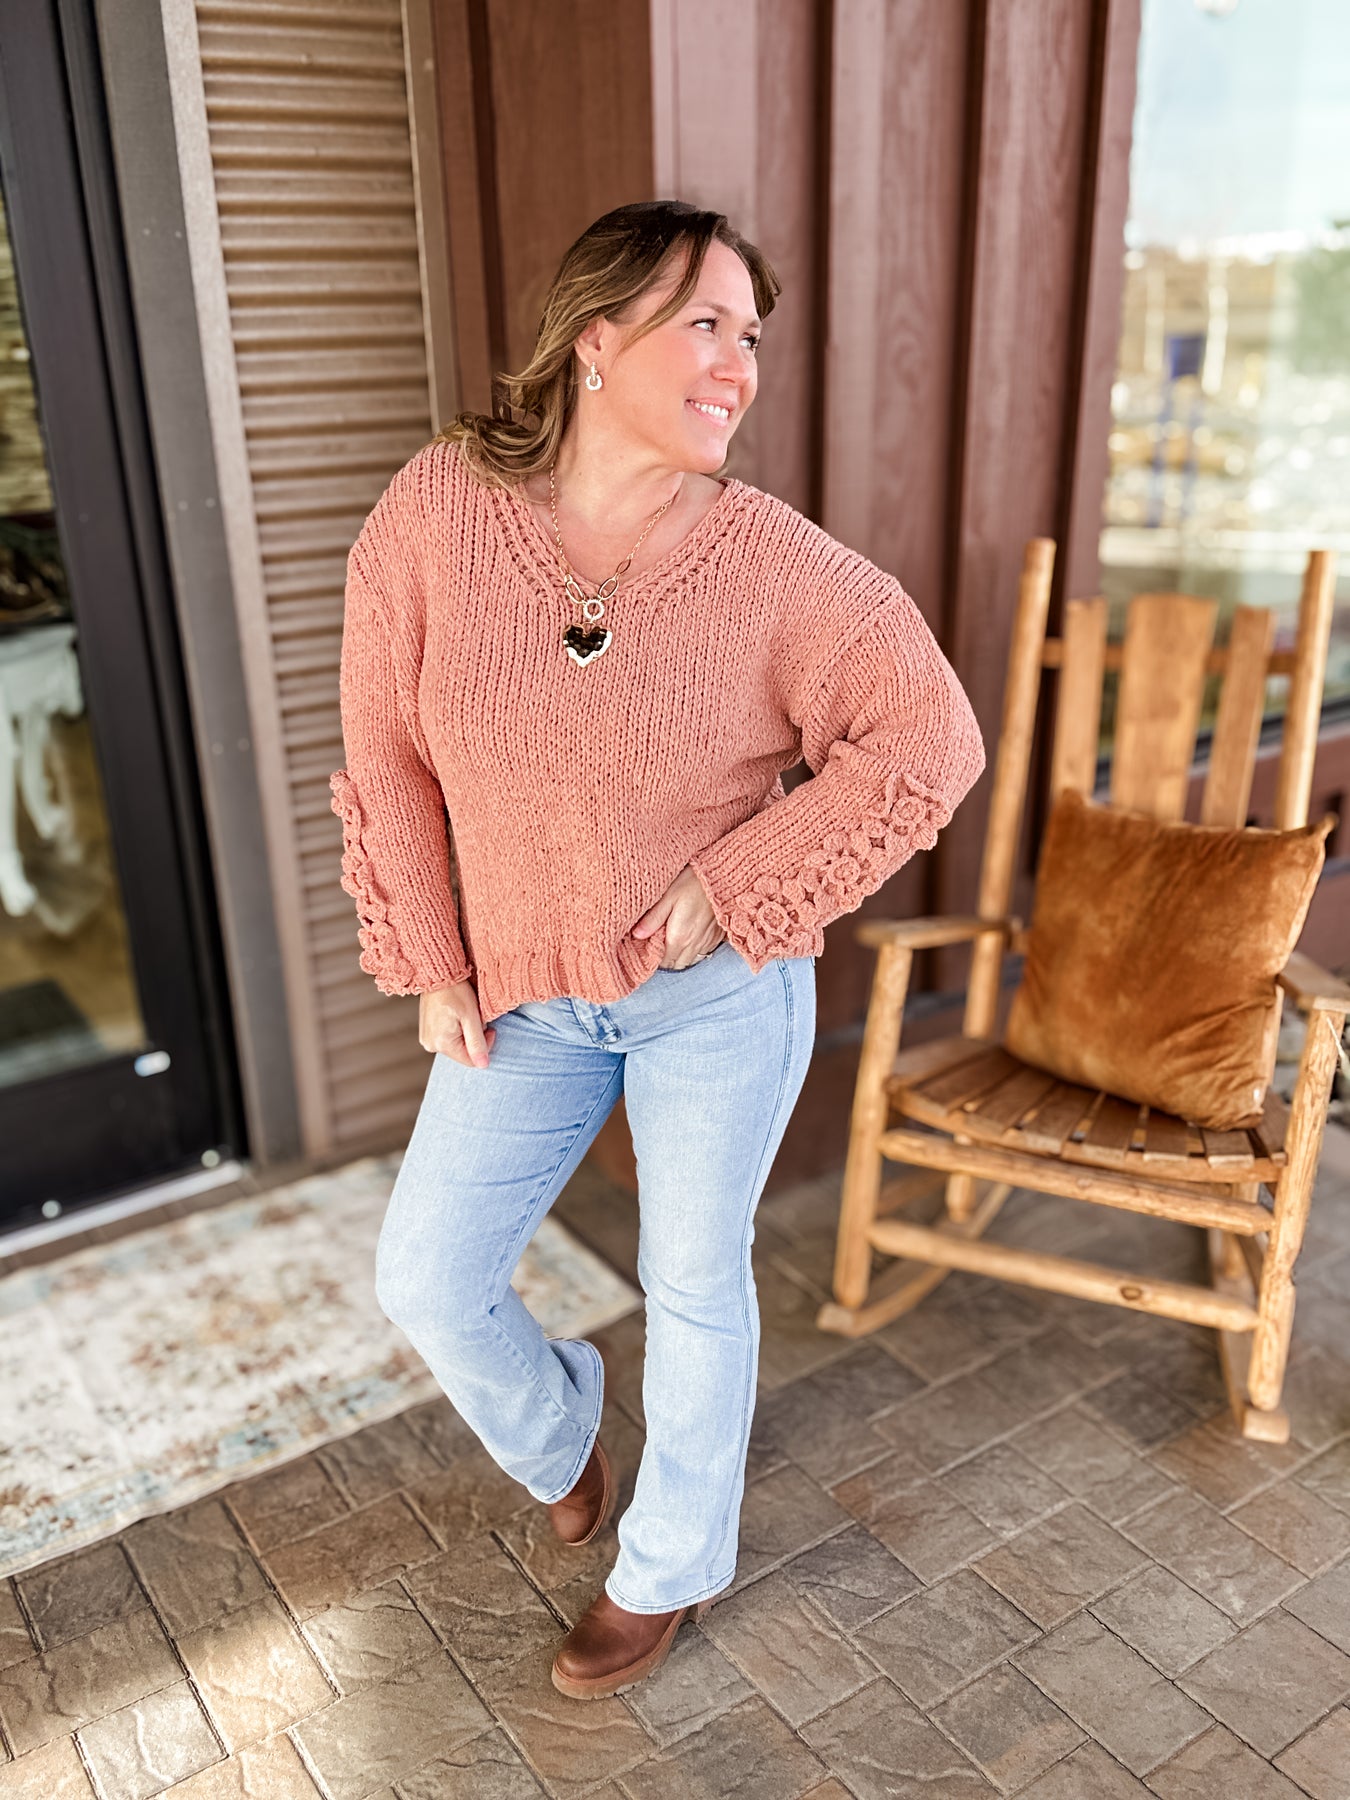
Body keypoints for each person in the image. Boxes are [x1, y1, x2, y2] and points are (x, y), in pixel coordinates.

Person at [329, 199, 985, 1700]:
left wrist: (739, 881)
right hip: (523, 992)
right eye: (705, 324)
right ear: (594, 337)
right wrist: (432, 961)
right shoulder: (435, 514)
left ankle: (668, 1564)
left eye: (750, 335)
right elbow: (388, 752)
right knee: (428, 1275)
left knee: (692, 1277)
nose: (738, 363)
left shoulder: (776, 566)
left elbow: (928, 736)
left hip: (713, 998)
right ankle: (564, 1432)